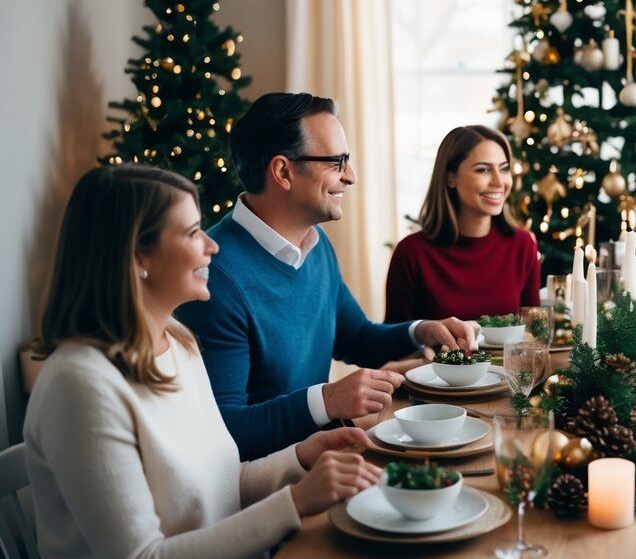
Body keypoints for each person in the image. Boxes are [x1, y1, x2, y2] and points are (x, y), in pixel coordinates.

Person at [25, 165, 381, 558]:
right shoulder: (79, 385)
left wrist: (300, 458)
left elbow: (222, 486)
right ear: (138, 254)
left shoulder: (178, 343)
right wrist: (295, 502)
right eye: (194, 233)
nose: (212, 246)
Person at [177, 93, 476, 460]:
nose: (350, 177)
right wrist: (328, 399)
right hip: (276, 485)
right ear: (283, 172)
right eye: (337, 162)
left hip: (326, 455)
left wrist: (421, 330)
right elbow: (226, 430)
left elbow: (356, 338)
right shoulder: (216, 279)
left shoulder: (314, 245)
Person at [384, 124, 540, 322]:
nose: (499, 182)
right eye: (483, 170)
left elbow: (534, 338)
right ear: (451, 178)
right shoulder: (411, 252)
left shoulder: (522, 245)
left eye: (504, 169)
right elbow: (393, 342)